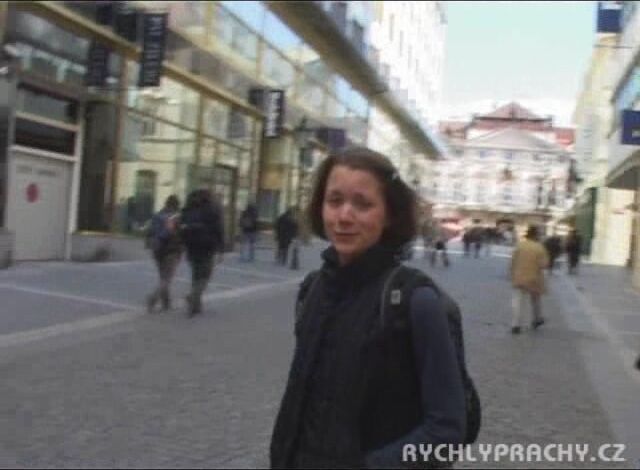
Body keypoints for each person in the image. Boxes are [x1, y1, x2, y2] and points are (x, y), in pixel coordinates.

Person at [270, 147, 466, 468]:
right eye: (334, 201)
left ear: (389, 215)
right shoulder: (312, 289)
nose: (344, 216)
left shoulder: (416, 301)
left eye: (362, 204)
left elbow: (446, 430)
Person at [179, 189, 225, 317]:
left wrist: (183, 244)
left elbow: (181, 228)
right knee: (205, 276)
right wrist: (221, 249)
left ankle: (196, 306)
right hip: (207, 246)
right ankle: (193, 296)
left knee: (196, 275)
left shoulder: (188, 209)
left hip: (191, 246)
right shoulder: (212, 209)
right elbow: (219, 230)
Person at [145, 195, 182, 313]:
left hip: (157, 250)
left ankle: (166, 302)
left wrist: (150, 244)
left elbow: (149, 232)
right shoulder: (176, 217)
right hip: (171, 250)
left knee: (163, 277)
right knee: (167, 279)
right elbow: (179, 234)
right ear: (176, 205)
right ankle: (153, 298)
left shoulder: (157, 215)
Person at [510, 225, 549, 334]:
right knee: (535, 299)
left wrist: (512, 273)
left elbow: (513, 261)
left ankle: (515, 324)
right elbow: (544, 264)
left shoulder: (519, 245)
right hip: (534, 277)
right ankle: (537, 318)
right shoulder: (539, 248)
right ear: (536, 235)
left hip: (519, 276)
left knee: (518, 301)